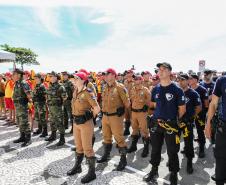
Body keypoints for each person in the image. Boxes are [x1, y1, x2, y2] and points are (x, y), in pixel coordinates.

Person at [143, 63, 186, 185]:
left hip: (171, 125)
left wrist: (173, 121)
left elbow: (182, 110)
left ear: (169, 72)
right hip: (156, 125)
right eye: (159, 70)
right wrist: (153, 117)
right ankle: (154, 170)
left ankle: (173, 174)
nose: (160, 72)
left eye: (163, 69)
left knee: (172, 151)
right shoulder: (155, 89)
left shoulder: (177, 89)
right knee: (155, 149)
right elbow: (153, 105)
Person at [67, 72, 100, 184]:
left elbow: (97, 108)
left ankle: (92, 173)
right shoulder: (75, 91)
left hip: (85, 123)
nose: (74, 80)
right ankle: (78, 167)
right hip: (76, 123)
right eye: (74, 78)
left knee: (88, 149)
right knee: (78, 147)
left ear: (82, 80)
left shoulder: (88, 92)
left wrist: (89, 117)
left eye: (76, 78)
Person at [97, 68, 130, 171]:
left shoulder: (120, 87)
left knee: (119, 138)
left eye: (107, 74)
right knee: (106, 137)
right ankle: (106, 155)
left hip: (116, 117)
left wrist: (122, 110)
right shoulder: (105, 87)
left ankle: (123, 160)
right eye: (105, 74)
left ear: (114, 75)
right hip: (105, 116)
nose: (105, 76)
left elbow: (127, 103)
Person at [178, 73, 202, 174]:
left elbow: (199, 107)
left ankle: (189, 163)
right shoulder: (176, 92)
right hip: (176, 123)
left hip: (187, 123)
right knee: (173, 143)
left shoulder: (193, 93)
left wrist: (191, 117)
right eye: (179, 80)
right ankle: (173, 162)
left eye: (183, 80)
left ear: (188, 81)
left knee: (188, 144)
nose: (180, 81)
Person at [205, 74, 226, 185]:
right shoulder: (222, 80)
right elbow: (213, 103)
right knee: (220, 159)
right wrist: (208, 124)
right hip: (223, 128)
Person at [127, 75, 151, 158]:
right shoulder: (133, 89)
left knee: (144, 131)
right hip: (134, 112)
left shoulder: (145, 90)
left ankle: (146, 148)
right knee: (134, 129)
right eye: (135, 79)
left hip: (142, 113)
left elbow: (150, 101)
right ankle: (133, 146)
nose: (136, 80)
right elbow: (131, 99)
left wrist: (146, 106)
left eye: (137, 79)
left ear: (141, 80)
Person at [189, 73, 209, 158]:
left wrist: (204, 113)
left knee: (200, 131)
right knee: (188, 131)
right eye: (189, 78)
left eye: (191, 78)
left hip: (200, 114)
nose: (189, 80)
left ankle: (201, 149)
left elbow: (206, 103)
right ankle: (188, 147)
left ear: (196, 80)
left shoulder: (202, 89)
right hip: (189, 114)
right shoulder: (187, 89)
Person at [45, 71, 67, 146]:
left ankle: (62, 139)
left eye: (52, 76)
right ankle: (53, 135)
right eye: (50, 76)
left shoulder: (60, 86)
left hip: (57, 108)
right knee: (52, 122)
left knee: (59, 123)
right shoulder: (50, 86)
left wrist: (59, 103)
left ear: (56, 77)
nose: (51, 78)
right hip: (51, 107)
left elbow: (65, 97)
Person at [12, 69, 32, 147]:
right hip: (18, 106)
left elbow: (29, 95)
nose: (13, 76)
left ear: (19, 75)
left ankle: (28, 139)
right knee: (20, 122)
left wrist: (30, 103)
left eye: (14, 74)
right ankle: (22, 136)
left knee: (24, 122)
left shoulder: (23, 83)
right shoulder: (17, 83)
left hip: (23, 106)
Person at [32, 73, 48, 137]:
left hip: (41, 104)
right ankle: (40, 129)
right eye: (35, 78)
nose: (35, 79)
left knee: (42, 118)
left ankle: (45, 131)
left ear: (39, 78)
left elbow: (45, 95)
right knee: (38, 117)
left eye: (36, 78)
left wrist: (45, 103)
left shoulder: (42, 86)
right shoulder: (36, 85)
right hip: (36, 104)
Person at [123, 69, 135, 136]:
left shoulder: (135, 81)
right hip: (126, 102)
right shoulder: (125, 81)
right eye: (127, 73)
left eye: (130, 73)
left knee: (133, 118)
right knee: (126, 116)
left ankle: (135, 131)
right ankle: (127, 129)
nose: (128, 74)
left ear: (132, 74)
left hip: (132, 102)